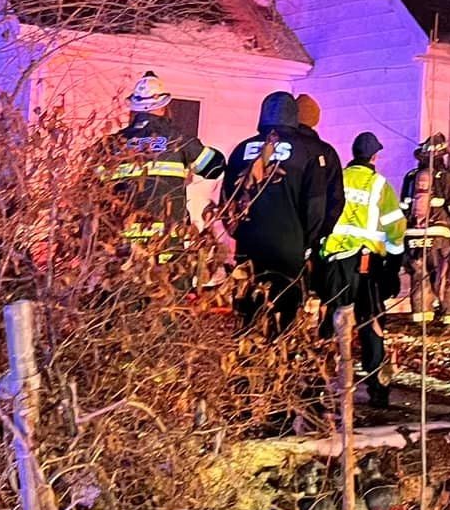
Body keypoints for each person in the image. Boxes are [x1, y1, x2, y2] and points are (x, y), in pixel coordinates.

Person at [221, 91, 343, 332]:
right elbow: (316, 203)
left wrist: (238, 234)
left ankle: (249, 357)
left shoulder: (242, 149)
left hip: (249, 245)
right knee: (284, 306)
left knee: (249, 305)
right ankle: (279, 356)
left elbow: (227, 201)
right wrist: (309, 240)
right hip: (289, 245)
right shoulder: (310, 151)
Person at [101, 71, 224, 277]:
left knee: (125, 294)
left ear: (134, 108)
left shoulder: (112, 144)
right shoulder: (178, 139)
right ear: (164, 105)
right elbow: (215, 167)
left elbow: (90, 184)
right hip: (166, 242)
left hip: (123, 243)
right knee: (166, 292)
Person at [318, 132, 407, 406]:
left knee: (331, 320)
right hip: (367, 265)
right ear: (374, 157)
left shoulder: (336, 179)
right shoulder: (379, 184)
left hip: (334, 262)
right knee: (371, 323)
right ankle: (377, 387)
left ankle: (320, 380)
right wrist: (393, 265)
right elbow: (395, 227)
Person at [402, 133, 450, 327]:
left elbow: (404, 207)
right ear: (442, 156)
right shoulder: (445, 177)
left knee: (419, 277)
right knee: (446, 275)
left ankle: (422, 320)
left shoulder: (410, 177)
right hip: (440, 236)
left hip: (414, 236)